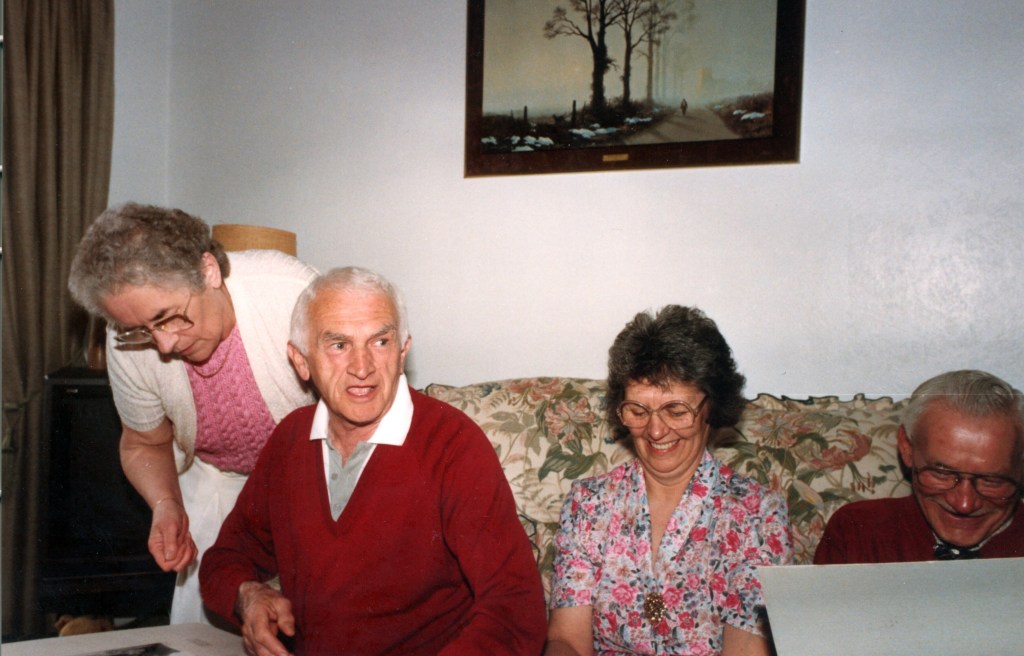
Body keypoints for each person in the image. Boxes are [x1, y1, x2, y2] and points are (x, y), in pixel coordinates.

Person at [198, 266, 547, 656]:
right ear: (300, 360)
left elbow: (516, 608)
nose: (362, 367)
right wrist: (248, 595)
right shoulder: (290, 440)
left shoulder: (453, 445)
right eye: (339, 345)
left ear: (402, 352)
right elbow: (224, 559)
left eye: (380, 342)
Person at [68, 203, 318, 624]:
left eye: (166, 317)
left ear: (208, 270)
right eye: (142, 330)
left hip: (313, 477)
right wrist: (166, 503)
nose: (163, 345)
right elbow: (144, 441)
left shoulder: (291, 294)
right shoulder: (126, 340)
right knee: (207, 625)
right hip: (216, 480)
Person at [545, 306, 792, 656]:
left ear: (711, 408)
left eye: (676, 411)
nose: (656, 430)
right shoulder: (588, 504)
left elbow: (746, 649)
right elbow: (567, 640)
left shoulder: (757, 515)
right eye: (638, 411)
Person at [814, 369, 1024, 564]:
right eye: (941, 474)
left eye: (992, 481)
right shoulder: (858, 530)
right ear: (907, 448)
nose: (964, 504)